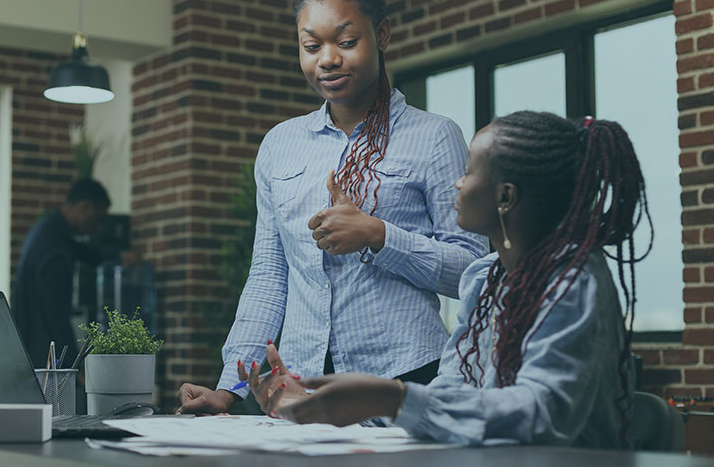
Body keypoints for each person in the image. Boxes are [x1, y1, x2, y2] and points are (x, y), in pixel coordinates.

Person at [178, 0, 488, 414]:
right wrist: (230, 390)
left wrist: (380, 236)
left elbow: (473, 270)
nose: (327, 58)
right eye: (311, 45)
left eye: (345, 42)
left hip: (406, 377)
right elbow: (269, 278)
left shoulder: (435, 136)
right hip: (303, 383)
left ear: (381, 35)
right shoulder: (280, 144)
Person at [266, 112, 650, 449]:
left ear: (505, 196)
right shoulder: (483, 279)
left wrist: (393, 399)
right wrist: (323, 406)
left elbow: (541, 413)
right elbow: (450, 397)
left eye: (467, 171)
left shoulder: (573, 279)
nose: (457, 184)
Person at [12, 179, 111, 369]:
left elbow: (84, 252)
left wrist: (117, 256)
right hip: (41, 356)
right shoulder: (54, 248)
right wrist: (75, 365)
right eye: (98, 219)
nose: (97, 228)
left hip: (28, 346)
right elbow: (56, 315)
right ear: (85, 207)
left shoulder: (49, 230)